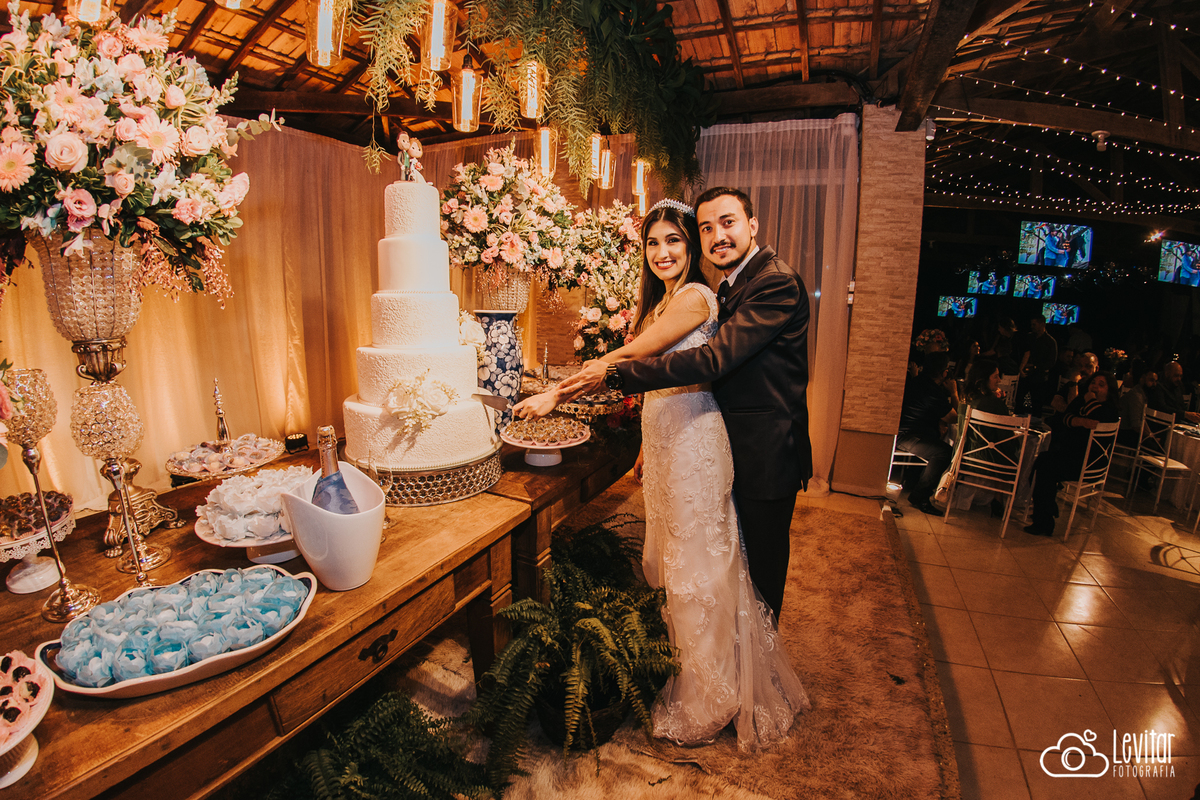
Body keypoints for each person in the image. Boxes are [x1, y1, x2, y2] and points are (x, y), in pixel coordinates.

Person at [514, 198, 809, 749]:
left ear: (747, 226)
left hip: (718, 444)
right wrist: (648, 444)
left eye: (675, 239)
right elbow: (663, 372)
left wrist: (563, 387)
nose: (663, 251)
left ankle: (718, 693)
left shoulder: (703, 295)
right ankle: (704, 672)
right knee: (671, 563)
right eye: (653, 243)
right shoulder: (680, 298)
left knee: (704, 567)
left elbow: (675, 361)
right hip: (674, 442)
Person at [553, 187, 812, 624]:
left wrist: (613, 374)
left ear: (752, 225)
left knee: (759, 576)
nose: (718, 235)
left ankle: (755, 678)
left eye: (727, 222)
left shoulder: (775, 282)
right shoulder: (731, 284)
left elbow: (713, 360)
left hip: (765, 452)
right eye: (708, 227)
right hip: (718, 436)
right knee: (722, 564)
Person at [1025, 371, 1120, 537]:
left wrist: (1090, 399)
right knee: (1041, 461)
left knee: (1046, 467)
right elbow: (1064, 418)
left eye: (1101, 384)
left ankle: (1044, 522)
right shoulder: (1080, 400)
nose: (1095, 386)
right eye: (1093, 383)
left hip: (1089, 463)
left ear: (1109, 390)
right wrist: (1081, 421)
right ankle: (1047, 507)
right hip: (1072, 455)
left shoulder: (1109, 410)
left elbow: (1097, 417)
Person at [897, 351, 957, 514]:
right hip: (908, 436)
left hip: (905, 432)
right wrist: (954, 393)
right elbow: (953, 418)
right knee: (944, 453)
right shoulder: (932, 391)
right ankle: (920, 496)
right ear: (944, 372)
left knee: (938, 445)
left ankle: (914, 485)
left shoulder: (917, 382)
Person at [1118, 366, 1157, 446]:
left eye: (1156, 381)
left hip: (1128, 430)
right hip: (1123, 432)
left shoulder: (1142, 394)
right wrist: (1150, 436)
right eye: (1151, 380)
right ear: (1142, 379)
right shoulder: (1137, 396)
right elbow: (1136, 425)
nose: (1154, 384)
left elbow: (1142, 421)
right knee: (1155, 447)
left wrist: (1151, 435)